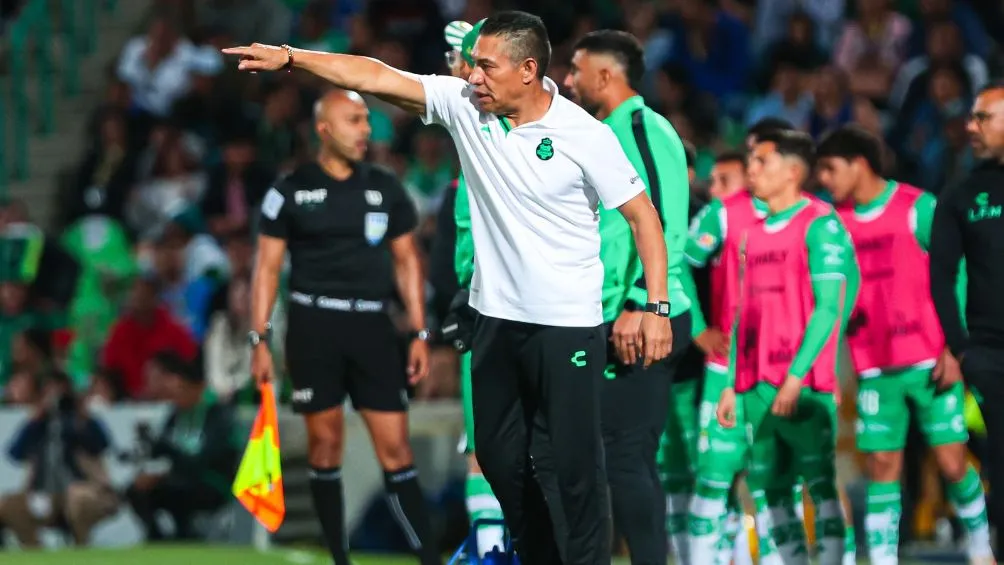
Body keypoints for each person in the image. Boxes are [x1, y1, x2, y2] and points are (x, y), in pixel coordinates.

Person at [225, 11, 674, 565]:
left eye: (486, 66)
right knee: (498, 459)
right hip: (496, 323)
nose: (472, 75)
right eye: (472, 64)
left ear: (528, 69)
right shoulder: (466, 105)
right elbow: (374, 74)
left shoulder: (585, 135)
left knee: (575, 467)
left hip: (567, 328)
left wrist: (656, 307)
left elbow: (644, 218)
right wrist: (293, 58)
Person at [249, 88, 439, 565]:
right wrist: (259, 339)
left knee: (396, 449)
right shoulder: (290, 190)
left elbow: (407, 261)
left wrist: (419, 332)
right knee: (325, 444)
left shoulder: (385, 186)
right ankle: (339, 558)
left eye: (366, 120)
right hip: (313, 326)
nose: (365, 131)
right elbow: (266, 269)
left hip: (373, 326)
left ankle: (430, 559)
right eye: (354, 120)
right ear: (324, 129)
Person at [817, 125, 994, 565]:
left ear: (859, 164)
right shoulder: (832, 224)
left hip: (931, 359)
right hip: (873, 363)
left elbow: (957, 272)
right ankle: (883, 559)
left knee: (952, 461)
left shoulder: (919, 208)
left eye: (830, 169)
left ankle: (981, 547)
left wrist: (955, 347)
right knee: (881, 465)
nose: (823, 179)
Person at [564, 30, 692, 565]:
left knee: (626, 456)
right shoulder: (604, 132)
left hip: (642, 315)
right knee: (605, 455)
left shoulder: (641, 128)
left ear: (605, 75)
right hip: (611, 314)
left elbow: (664, 220)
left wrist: (643, 303)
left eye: (575, 70)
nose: (567, 80)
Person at [711, 130, 861, 565]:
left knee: (820, 482)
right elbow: (743, 314)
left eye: (762, 161)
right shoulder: (752, 234)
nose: (752, 169)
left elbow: (829, 308)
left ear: (793, 171)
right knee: (771, 487)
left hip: (803, 382)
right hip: (756, 385)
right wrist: (731, 382)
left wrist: (797, 376)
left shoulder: (821, 224)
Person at [439, 17, 507, 559]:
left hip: (511, 305)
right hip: (479, 303)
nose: (463, 73)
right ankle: (491, 546)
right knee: (483, 439)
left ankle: (501, 547)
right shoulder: (470, 134)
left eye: (471, 62)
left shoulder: (512, 135)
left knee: (504, 440)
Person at [930, 81, 1004, 558]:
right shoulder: (961, 193)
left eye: (984, 117)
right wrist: (960, 347)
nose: (971, 126)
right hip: (990, 354)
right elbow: (940, 275)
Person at [126, 352, 238, 541]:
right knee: (137, 489)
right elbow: (160, 450)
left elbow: (206, 459)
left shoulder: (216, 415)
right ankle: (156, 537)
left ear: (197, 388)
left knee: (178, 491)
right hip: (179, 478)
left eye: (183, 390)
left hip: (212, 481)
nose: (177, 397)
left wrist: (168, 451)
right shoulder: (176, 415)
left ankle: (186, 535)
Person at [0, 372, 117, 546]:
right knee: (9, 506)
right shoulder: (38, 425)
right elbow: (14, 453)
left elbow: (102, 445)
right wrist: (34, 421)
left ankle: (82, 547)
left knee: (77, 497)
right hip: (44, 494)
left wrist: (81, 419)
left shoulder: (81, 420)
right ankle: (34, 551)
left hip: (83, 490)